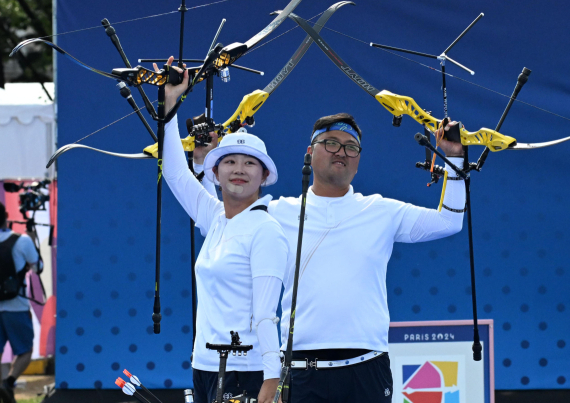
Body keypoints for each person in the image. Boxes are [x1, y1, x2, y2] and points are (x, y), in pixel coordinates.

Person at [194, 110, 466, 402]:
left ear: (358, 160)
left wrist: (455, 160)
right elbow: (219, 215)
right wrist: (202, 162)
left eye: (351, 147)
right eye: (331, 143)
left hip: (367, 370)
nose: (342, 152)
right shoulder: (275, 214)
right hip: (299, 372)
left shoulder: (381, 211)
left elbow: (450, 222)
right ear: (310, 152)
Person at [161, 59, 289, 403]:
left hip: (247, 372)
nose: (239, 170)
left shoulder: (266, 230)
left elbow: (266, 314)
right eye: (230, 161)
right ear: (215, 173)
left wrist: (270, 383)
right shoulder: (215, 216)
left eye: (250, 164)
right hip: (204, 365)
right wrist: (170, 103)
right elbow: (174, 173)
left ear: (264, 177)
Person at [0, 202, 41, 403]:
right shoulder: (22, 241)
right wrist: (33, 242)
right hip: (16, 305)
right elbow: (38, 268)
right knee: (25, 351)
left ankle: (5, 389)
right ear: (6, 217)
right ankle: (8, 383)